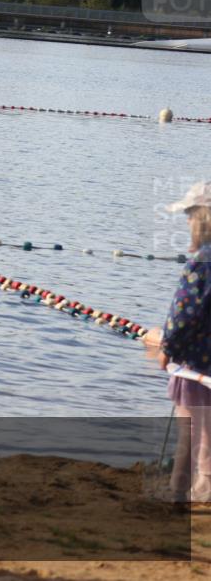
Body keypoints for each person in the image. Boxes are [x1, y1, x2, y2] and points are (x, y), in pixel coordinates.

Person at [147, 181, 211, 502]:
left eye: (189, 215)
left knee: (191, 434)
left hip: (197, 364)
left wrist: (167, 347)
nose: (186, 221)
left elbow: (184, 313)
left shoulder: (202, 262)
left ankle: (179, 494)